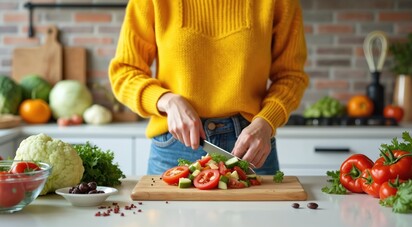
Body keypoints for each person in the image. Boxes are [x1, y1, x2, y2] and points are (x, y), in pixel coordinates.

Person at [109, 0, 309, 175]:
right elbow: (125, 72)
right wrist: (167, 101)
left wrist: (267, 121)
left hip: (252, 145)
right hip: (175, 146)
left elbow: (291, 76)